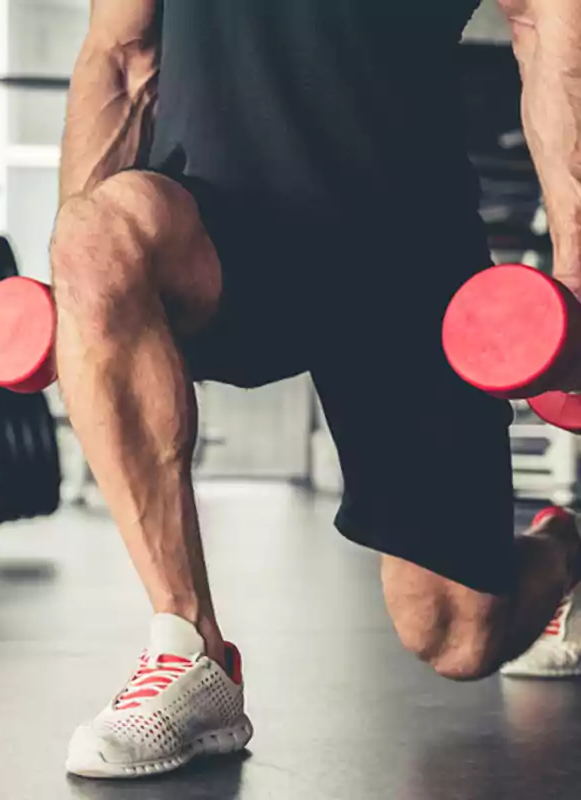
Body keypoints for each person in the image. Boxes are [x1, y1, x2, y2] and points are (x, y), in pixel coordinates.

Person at [57, 0, 581, 780]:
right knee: (95, 234)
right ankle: (189, 648)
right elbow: (121, 52)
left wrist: (574, 269)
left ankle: (565, 550)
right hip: (219, 229)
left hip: (409, 257)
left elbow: (548, 24)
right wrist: (75, 283)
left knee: (456, 634)